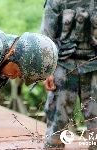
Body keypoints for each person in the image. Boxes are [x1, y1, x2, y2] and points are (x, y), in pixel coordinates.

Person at [40, 0, 97, 149]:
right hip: (63, 66)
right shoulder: (57, 1)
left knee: (96, 123)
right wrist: (47, 70)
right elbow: (46, 37)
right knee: (57, 122)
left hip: (94, 66)